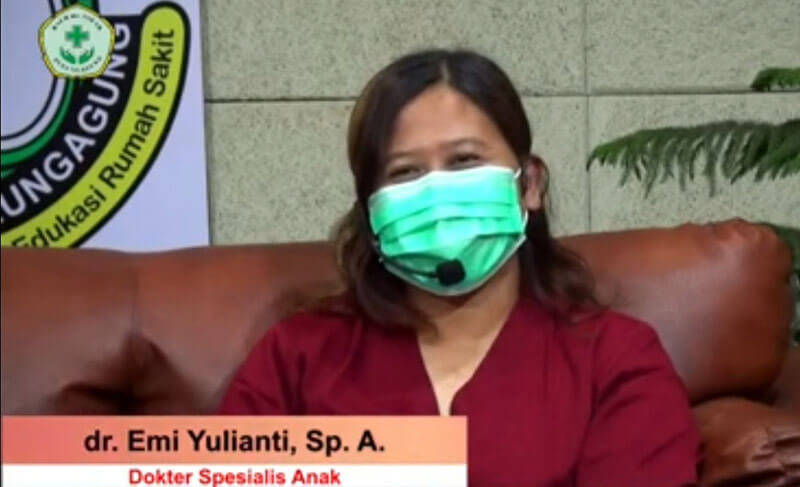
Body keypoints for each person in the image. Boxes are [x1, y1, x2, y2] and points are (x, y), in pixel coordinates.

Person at [217, 49, 701, 486]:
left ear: (529, 184)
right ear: (371, 211)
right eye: (405, 172)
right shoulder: (297, 357)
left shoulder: (616, 360)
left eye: (465, 160)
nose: (437, 195)